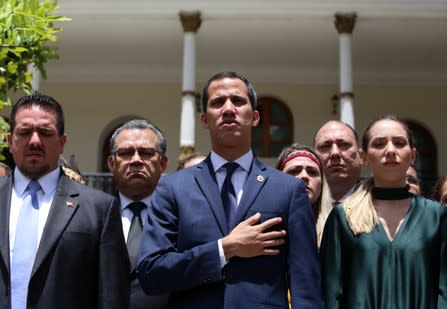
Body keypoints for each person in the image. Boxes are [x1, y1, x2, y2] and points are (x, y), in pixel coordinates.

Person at [137, 71, 323, 308]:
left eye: (238, 101)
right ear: (204, 119)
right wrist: (224, 249)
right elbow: (151, 273)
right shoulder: (173, 187)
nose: (228, 109)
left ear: (255, 117)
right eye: (217, 103)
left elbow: (305, 286)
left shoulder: (288, 190)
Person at [0, 93, 129, 309]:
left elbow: (111, 297)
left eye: (45, 132)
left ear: (62, 142)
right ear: (10, 140)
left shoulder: (99, 209)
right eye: (24, 132)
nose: (34, 141)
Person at [320, 114, 447, 308]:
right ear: (363, 156)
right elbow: (331, 294)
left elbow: (446, 290)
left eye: (399, 143)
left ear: (412, 155)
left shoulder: (437, 217)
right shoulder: (342, 217)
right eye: (379, 144)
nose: (390, 150)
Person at [108, 119, 169, 309]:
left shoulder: (179, 217)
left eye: (146, 152)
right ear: (111, 163)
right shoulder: (93, 215)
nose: (136, 160)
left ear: (163, 163)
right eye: (125, 153)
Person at [275, 144, 332, 247]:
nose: (304, 176)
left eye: (312, 172)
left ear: (322, 183)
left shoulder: (336, 227)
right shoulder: (264, 227)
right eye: (294, 171)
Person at [313, 120, 362, 205]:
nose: (335, 153)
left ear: (361, 156)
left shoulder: (383, 204)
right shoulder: (299, 207)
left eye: (344, 144)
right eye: (325, 146)